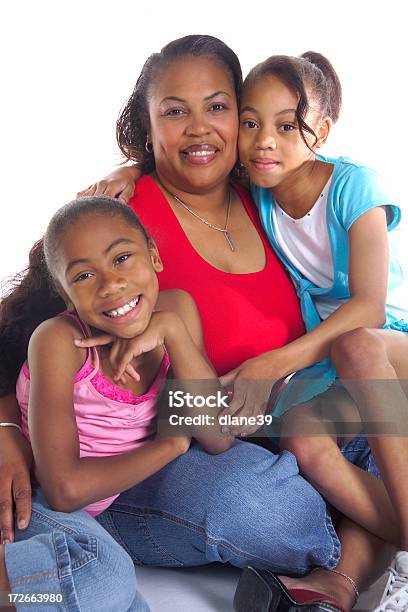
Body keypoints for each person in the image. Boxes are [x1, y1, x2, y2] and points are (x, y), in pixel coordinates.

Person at [0, 35, 395, 612]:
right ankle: (53, 567)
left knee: (383, 425)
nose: (199, 128)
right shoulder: (123, 219)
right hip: (157, 445)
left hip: (284, 418)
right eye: (174, 111)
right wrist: (6, 434)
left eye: (216, 107)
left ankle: (342, 576)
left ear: (241, 116)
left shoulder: (262, 196)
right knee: (271, 513)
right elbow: (23, 338)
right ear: (148, 124)